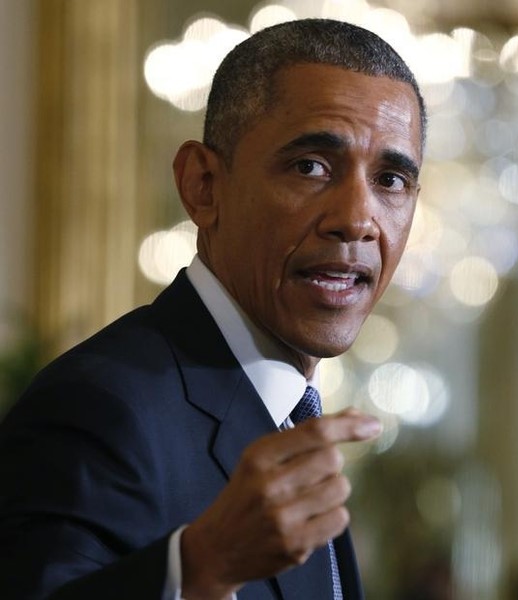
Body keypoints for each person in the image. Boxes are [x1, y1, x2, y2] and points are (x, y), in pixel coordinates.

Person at [0, 18, 426, 600]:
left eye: (391, 179)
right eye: (311, 167)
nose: (356, 218)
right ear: (203, 185)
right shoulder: (100, 408)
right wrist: (199, 569)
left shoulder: (295, 423)